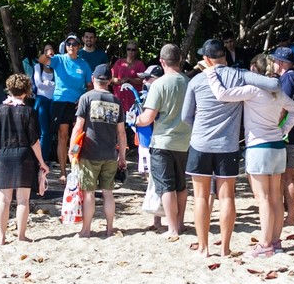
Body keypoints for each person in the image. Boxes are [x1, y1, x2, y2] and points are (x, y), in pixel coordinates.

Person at [181, 38, 279, 257]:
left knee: (200, 197)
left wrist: (200, 128)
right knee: (227, 197)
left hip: (201, 143)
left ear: (206, 59)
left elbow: (185, 116)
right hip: (228, 145)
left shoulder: (196, 81)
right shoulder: (239, 75)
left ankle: (204, 248)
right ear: (225, 55)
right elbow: (273, 85)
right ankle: (225, 248)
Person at [206, 52, 294, 257]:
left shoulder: (252, 91)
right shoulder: (277, 93)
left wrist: (210, 72)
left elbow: (221, 94)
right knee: (275, 197)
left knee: (263, 198)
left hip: (259, 148)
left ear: (255, 71)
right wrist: (283, 130)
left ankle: (265, 244)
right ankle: (275, 242)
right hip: (277, 146)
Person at [134, 47, 190, 238]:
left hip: (163, 142)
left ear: (162, 61)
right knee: (181, 185)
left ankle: (172, 228)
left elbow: (148, 117)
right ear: (180, 59)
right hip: (185, 141)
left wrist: (135, 120)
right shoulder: (188, 82)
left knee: (167, 187)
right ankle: (180, 223)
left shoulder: (159, 84)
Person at [0, 73, 50, 244]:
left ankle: (1, 237)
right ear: (27, 91)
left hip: (3, 156)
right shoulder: (28, 112)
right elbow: (34, 141)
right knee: (23, 200)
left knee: (3, 200)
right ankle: (21, 236)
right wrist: (42, 162)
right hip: (24, 156)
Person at [71, 64, 126, 238]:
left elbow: (78, 128)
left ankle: (86, 230)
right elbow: (121, 132)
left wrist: (72, 151)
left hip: (89, 153)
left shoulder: (86, 98)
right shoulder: (116, 101)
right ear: (110, 81)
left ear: (93, 79)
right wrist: (122, 157)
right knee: (108, 193)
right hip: (110, 154)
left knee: (89, 193)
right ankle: (110, 229)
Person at [271, 47, 294, 226]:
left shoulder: (289, 78)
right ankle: (289, 215)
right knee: (286, 174)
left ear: (282, 63)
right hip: (291, 132)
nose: (273, 64)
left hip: (288, 134)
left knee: (289, 175)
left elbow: (283, 105)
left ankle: (291, 217)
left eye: (275, 61)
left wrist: (273, 125)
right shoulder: (291, 77)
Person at [50, 34, 92, 173]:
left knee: (77, 136)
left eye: (74, 44)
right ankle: (63, 172)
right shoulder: (59, 59)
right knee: (63, 135)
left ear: (79, 47)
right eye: (69, 44)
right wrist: (47, 53)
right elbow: (42, 60)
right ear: (65, 46)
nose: (71, 46)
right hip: (61, 101)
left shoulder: (84, 64)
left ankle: (75, 168)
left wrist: (83, 98)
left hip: (77, 104)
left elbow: (90, 86)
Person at [32, 44, 57, 167]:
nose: (49, 53)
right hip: (41, 100)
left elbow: (58, 85)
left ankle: (45, 158)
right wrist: (50, 84)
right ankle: (39, 160)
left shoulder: (56, 67)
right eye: (46, 50)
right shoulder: (38, 67)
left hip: (54, 101)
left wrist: (47, 83)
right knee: (44, 131)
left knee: (51, 131)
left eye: (51, 50)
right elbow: (39, 84)